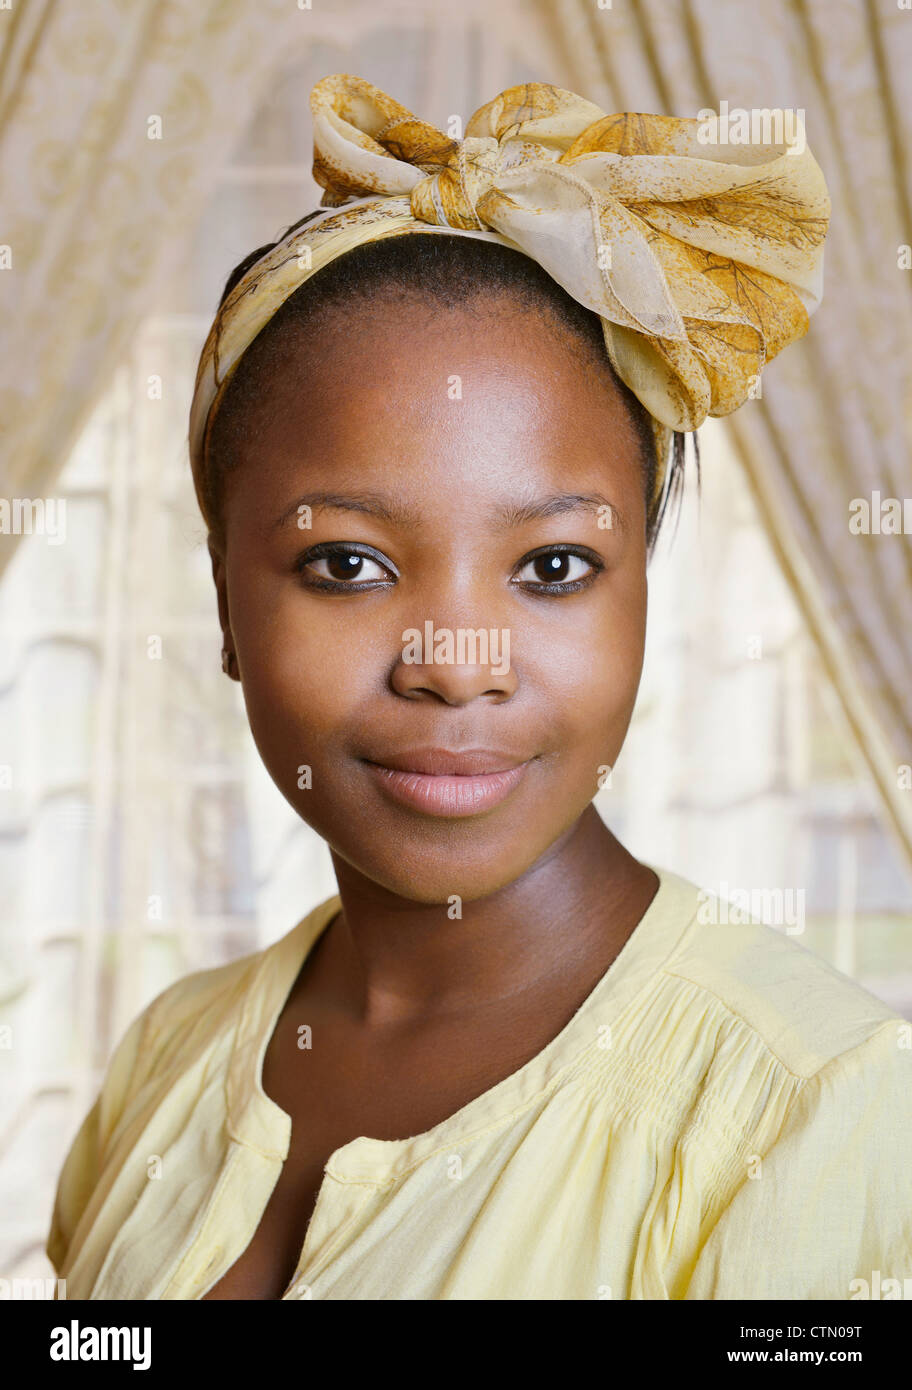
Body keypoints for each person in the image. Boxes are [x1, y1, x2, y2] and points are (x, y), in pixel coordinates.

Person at [46, 74, 911, 1300]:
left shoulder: (816, 1115)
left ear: (641, 591)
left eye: (553, 566)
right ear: (225, 598)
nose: (457, 666)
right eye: (347, 563)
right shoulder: (167, 1058)